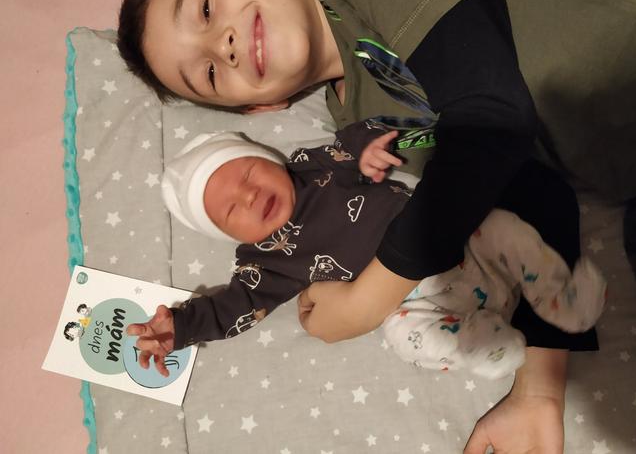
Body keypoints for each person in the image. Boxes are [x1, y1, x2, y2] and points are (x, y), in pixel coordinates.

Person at [116, 0, 636, 449]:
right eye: (208, 75)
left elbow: (492, 114)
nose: (220, 46)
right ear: (259, 109)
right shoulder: (363, 135)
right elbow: (533, 196)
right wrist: (538, 393)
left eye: (204, 9)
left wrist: (368, 300)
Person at [128, 120, 605, 383]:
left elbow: (355, 139)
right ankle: (480, 343)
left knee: (503, 226)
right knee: (403, 336)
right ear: (228, 235)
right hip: (417, 302)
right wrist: (182, 326)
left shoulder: (315, 169)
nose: (250, 196)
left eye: (248, 174)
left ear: (266, 158)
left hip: (455, 238)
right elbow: (234, 307)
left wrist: (368, 149)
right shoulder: (264, 263)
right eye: (232, 210)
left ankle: (561, 300)